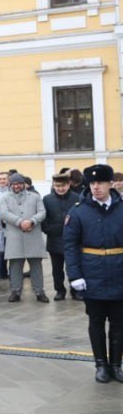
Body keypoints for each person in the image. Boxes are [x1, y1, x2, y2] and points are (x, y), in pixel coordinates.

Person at [65, 163, 123, 383]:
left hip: (119, 272)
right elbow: (70, 245)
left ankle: (116, 364)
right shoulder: (79, 210)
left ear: (111, 184)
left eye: (101, 183)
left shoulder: (121, 207)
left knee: (119, 323)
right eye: (92, 183)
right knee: (96, 321)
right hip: (92, 273)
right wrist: (75, 275)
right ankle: (100, 365)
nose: (96, 187)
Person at [0, 173, 48, 303]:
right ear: (10, 185)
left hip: (33, 235)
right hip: (15, 236)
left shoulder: (35, 197)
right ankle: (15, 291)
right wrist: (20, 222)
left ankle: (39, 291)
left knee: (36, 265)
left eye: (19, 183)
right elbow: (4, 213)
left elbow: (42, 212)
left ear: (23, 184)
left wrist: (31, 221)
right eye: (14, 184)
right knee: (15, 266)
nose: (17, 186)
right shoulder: (5, 198)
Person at [44, 171, 78, 301]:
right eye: (57, 186)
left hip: (73, 241)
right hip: (54, 239)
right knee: (57, 269)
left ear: (69, 184)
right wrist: (49, 230)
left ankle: (75, 290)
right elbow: (44, 218)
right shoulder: (47, 199)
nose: (60, 189)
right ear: (54, 185)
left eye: (63, 186)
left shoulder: (77, 198)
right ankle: (59, 290)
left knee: (73, 267)